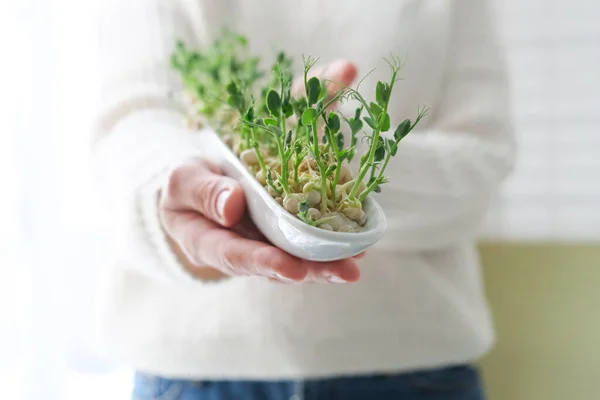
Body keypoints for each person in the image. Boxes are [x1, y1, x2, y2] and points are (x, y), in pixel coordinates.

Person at [91, 0, 516, 398]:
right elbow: (131, 129)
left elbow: (481, 161)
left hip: (412, 370)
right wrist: (184, 208)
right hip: (195, 372)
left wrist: (330, 148)